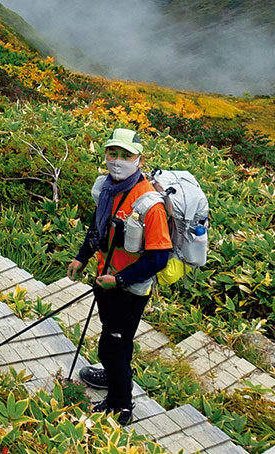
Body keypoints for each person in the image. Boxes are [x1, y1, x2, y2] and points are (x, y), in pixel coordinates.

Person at [67, 128, 172, 425]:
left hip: (129, 289)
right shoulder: (108, 189)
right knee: (113, 337)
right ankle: (112, 372)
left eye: (126, 155)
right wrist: (81, 257)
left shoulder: (149, 204)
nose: (117, 161)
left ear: (139, 159)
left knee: (113, 344)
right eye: (113, 153)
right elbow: (96, 230)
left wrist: (121, 280)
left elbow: (159, 257)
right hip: (105, 278)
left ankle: (121, 405)